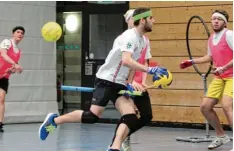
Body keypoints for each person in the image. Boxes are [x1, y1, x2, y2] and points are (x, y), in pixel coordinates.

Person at [38, 7, 167, 151]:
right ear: (142, 20)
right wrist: (150, 70)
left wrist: (129, 83)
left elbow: (132, 66)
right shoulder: (129, 36)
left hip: (119, 83)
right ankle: (54, 120)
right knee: (92, 117)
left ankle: (114, 147)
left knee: (130, 116)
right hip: (106, 80)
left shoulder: (142, 40)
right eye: (151, 18)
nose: (154, 20)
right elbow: (126, 60)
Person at [180, 9, 232, 150]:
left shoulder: (229, 35)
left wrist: (224, 67)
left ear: (225, 22)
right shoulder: (211, 39)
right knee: (205, 107)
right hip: (220, 77)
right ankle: (221, 136)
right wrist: (191, 61)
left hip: (232, 77)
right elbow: (209, 57)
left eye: (219, 19)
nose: (215, 21)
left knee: (227, 105)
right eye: (213, 19)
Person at [121, 9, 158, 151]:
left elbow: (146, 63)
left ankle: (124, 135)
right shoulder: (125, 39)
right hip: (126, 82)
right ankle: (121, 140)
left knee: (147, 115)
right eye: (130, 18)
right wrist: (130, 82)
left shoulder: (145, 40)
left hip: (139, 82)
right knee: (129, 113)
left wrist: (142, 80)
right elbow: (124, 63)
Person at [0, 26, 24, 132]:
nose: (20, 34)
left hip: (4, 77)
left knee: (1, 99)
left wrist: (13, 69)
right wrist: (14, 64)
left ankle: (0, 123)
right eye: (18, 32)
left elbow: (13, 68)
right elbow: (3, 55)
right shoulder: (7, 42)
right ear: (13, 34)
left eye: (22, 33)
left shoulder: (18, 52)